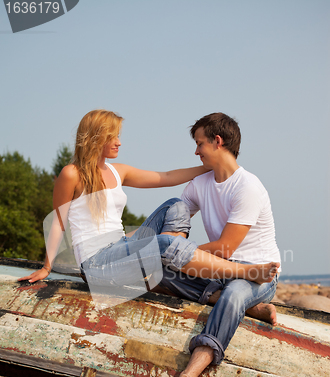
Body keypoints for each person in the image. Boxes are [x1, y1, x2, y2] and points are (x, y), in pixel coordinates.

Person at [20, 109, 279, 302]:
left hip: (119, 246)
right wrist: (46, 266)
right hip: (96, 262)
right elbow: (58, 221)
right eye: (113, 136)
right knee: (166, 244)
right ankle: (243, 271)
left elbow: (165, 177)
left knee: (175, 206)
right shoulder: (71, 174)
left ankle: (173, 265)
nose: (119, 142)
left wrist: (213, 164)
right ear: (96, 138)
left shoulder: (118, 171)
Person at [157, 112, 281, 377]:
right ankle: (250, 308)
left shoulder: (247, 187)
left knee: (236, 292)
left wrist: (180, 251)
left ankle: (191, 371)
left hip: (258, 271)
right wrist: (169, 247)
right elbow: (176, 223)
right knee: (154, 272)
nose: (196, 151)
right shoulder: (200, 185)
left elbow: (225, 248)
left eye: (200, 144)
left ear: (218, 141)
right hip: (219, 271)